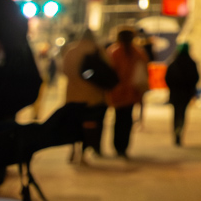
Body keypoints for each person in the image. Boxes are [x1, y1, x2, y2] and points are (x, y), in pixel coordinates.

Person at [61, 29, 109, 161]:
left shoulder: (71, 51)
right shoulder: (98, 50)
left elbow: (64, 71)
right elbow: (109, 69)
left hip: (73, 95)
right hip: (94, 96)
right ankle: (85, 150)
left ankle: (73, 149)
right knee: (91, 124)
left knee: (74, 123)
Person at [106, 26, 148, 157]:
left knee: (118, 119)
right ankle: (124, 146)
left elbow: (109, 71)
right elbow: (145, 70)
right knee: (127, 119)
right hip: (132, 92)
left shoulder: (114, 52)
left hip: (117, 91)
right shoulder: (138, 53)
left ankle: (117, 146)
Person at [164, 42, 200, 145]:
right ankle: (180, 130)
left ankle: (176, 131)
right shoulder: (191, 63)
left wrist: (172, 88)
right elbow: (196, 78)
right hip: (186, 94)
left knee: (176, 113)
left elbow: (167, 78)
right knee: (182, 113)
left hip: (175, 93)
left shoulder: (173, 63)